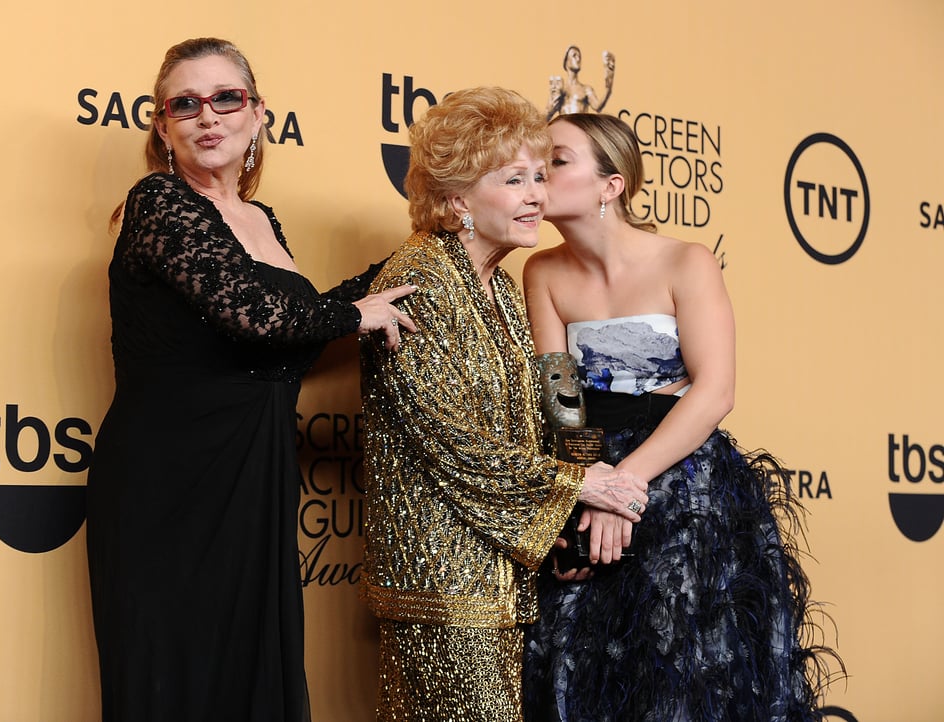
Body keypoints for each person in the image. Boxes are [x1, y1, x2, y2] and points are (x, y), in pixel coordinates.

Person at [85, 37, 416, 722]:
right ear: (162, 123)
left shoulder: (261, 221)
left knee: (245, 678)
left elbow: (298, 332)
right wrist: (355, 309)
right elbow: (259, 318)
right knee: (175, 679)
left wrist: (415, 267)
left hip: (250, 469)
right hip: (168, 481)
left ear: (258, 113)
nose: (207, 117)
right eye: (185, 104)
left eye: (225, 99)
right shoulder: (159, 203)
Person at [521, 112, 838, 721]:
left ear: (610, 186)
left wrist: (626, 485)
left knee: (687, 671)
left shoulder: (686, 262)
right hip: (590, 478)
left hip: (683, 481)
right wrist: (595, 489)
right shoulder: (542, 272)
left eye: (557, 160)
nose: (538, 174)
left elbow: (715, 392)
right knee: (582, 665)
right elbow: (561, 403)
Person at [359, 88, 650, 722]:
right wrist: (578, 484)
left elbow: (561, 397)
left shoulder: (505, 284)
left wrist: (578, 502)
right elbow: (446, 440)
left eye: (540, 177)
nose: (536, 196)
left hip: (506, 576)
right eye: (514, 180)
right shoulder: (419, 281)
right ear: (457, 198)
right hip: (441, 582)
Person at [546, 46, 616, 121]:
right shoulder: (561, 88)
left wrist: (608, 88)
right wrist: (550, 111)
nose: (578, 59)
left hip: (581, 129)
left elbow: (598, 107)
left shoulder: (586, 89)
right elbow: (547, 115)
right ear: (566, 61)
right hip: (564, 129)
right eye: (574, 56)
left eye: (579, 57)